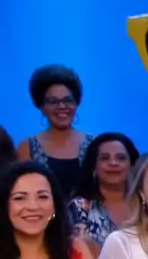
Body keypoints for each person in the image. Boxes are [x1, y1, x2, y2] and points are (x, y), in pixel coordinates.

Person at [17, 65, 95, 198]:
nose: (62, 106)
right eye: (53, 101)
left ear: (76, 103)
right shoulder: (28, 147)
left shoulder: (94, 144)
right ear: (41, 106)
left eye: (68, 100)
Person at [68, 133, 140, 256]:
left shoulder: (146, 204)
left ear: (132, 165)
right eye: (105, 158)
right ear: (94, 167)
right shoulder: (79, 207)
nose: (113, 163)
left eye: (121, 158)